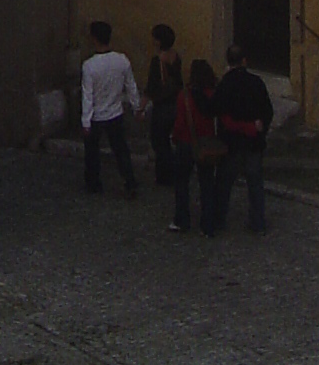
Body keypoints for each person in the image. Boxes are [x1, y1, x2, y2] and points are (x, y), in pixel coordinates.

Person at [209, 42, 275, 234]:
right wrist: (261, 129)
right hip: (253, 141)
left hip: (231, 142)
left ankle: (219, 220)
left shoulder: (225, 84)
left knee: (224, 182)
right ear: (245, 61)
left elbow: (215, 109)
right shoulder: (256, 82)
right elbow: (267, 110)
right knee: (255, 182)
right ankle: (258, 223)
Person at [80, 19, 140, 198]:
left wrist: (85, 121)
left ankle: (94, 183)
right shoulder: (122, 60)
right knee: (121, 150)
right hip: (115, 112)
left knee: (92, 153)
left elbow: (87, 95)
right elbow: (131, 86)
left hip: (96, 115)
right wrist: (137, 107)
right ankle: (129, 181)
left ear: (93, 38)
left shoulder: (89, 66)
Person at [170, 56, 222, 234]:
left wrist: (175, 137)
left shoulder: (184, 96)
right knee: (207, 184)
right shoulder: (212, 95)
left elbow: (180, 122)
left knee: (182, 182)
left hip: (186, 142)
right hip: (206, 143)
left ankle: (182, 220)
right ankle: (208, 224)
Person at [146, 23, 184, 186]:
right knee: (168, 141)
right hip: (175, 104)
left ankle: (164, 176)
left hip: (162, 106)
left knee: (159, 142)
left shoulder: (157, 61)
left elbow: (151, 87)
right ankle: (173, 172)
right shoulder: (176, 57)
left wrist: (141, 106)